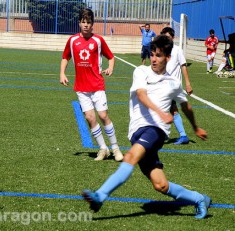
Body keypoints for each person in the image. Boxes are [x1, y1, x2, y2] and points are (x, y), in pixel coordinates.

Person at [82, 35, 211, 219]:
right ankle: (200, 199)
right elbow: (141, 94)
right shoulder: (141, 71)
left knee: (130, 156)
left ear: (167, 57)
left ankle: (100, 196)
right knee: (161, 185)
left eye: (158, 55)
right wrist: (160, 111)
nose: (154, 59)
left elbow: (185, 106)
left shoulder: (174, 82)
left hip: (156, 130)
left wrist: (195, 127)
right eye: (152, 54)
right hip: (137, 131)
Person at [60, 8, 123, 162]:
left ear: (93, 24)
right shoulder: (73, 40)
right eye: (83, 22)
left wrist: (110, 68)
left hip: (97, 85)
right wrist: (62, 73)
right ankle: (103, 149)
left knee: (102, 115)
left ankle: (115, 148)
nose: (86, 25)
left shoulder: (98, 40)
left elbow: (111, 57)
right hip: (81, 88)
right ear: (79, 23)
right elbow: (65, 57)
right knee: (90, 118)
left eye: (88, 22)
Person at [161, 27, 191, 145]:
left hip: (172, 86)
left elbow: (183, 66)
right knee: (170, 110)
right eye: (165, 37)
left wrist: (188, 84)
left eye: (168, 37)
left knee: (169, 110)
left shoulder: (177, 50)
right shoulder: (162, 50)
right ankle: (181, 135)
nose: (166, 39)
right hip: (162, 85)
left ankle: (178, 135)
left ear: (173, 38)